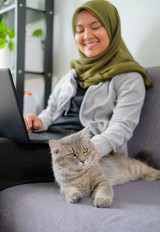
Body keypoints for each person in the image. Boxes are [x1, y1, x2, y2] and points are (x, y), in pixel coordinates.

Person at [0, 0, 153, 191]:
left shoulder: (129, 77)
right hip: (54, 142)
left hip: (83, 151)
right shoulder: (71, 75)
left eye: (96, 27)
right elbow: (50, 112)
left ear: (112, 29)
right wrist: (39, 122)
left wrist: (95, 147)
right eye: (80, 30)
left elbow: (122, 126)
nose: (87, 35)